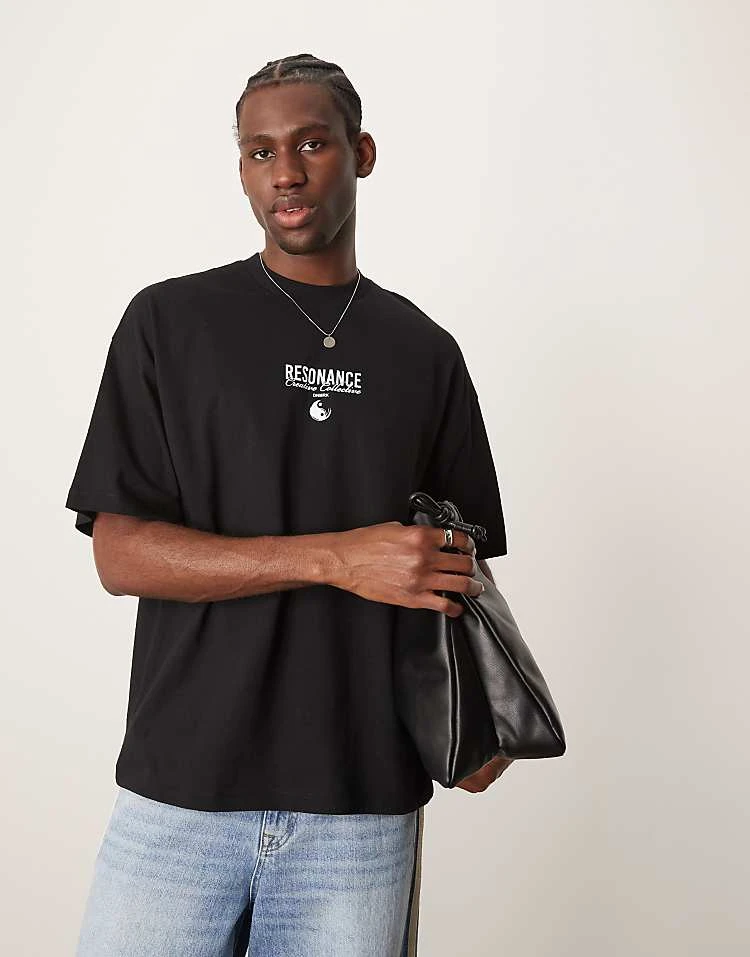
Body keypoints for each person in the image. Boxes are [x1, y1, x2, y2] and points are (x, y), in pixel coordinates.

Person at [65, 52, 513, 957]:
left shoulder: (425, 352)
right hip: (181, 795)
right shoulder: (169, 323)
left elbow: (457, 564)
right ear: (241, 169)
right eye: (260, 151)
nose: (286, 172)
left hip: (360, 806)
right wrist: (336, 557)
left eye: (312, 144)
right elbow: (121, 554)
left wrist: (485, 705)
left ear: (363, 152)